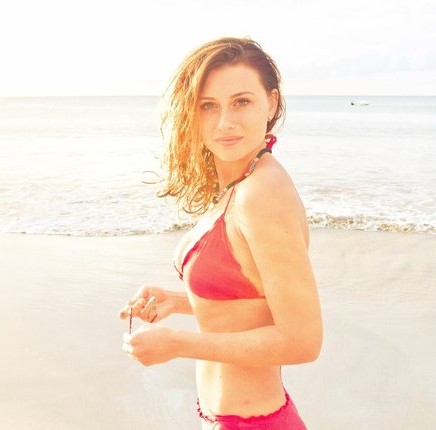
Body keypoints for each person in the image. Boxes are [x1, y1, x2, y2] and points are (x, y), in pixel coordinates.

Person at [119, 36, 323, 429]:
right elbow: (255, 305)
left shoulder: (263, 192)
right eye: (208, 105)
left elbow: (303, 340)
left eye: (241, 102)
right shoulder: (243, 183)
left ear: (272, 103)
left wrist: (177, 344)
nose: (224, 122)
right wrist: (179, 302)